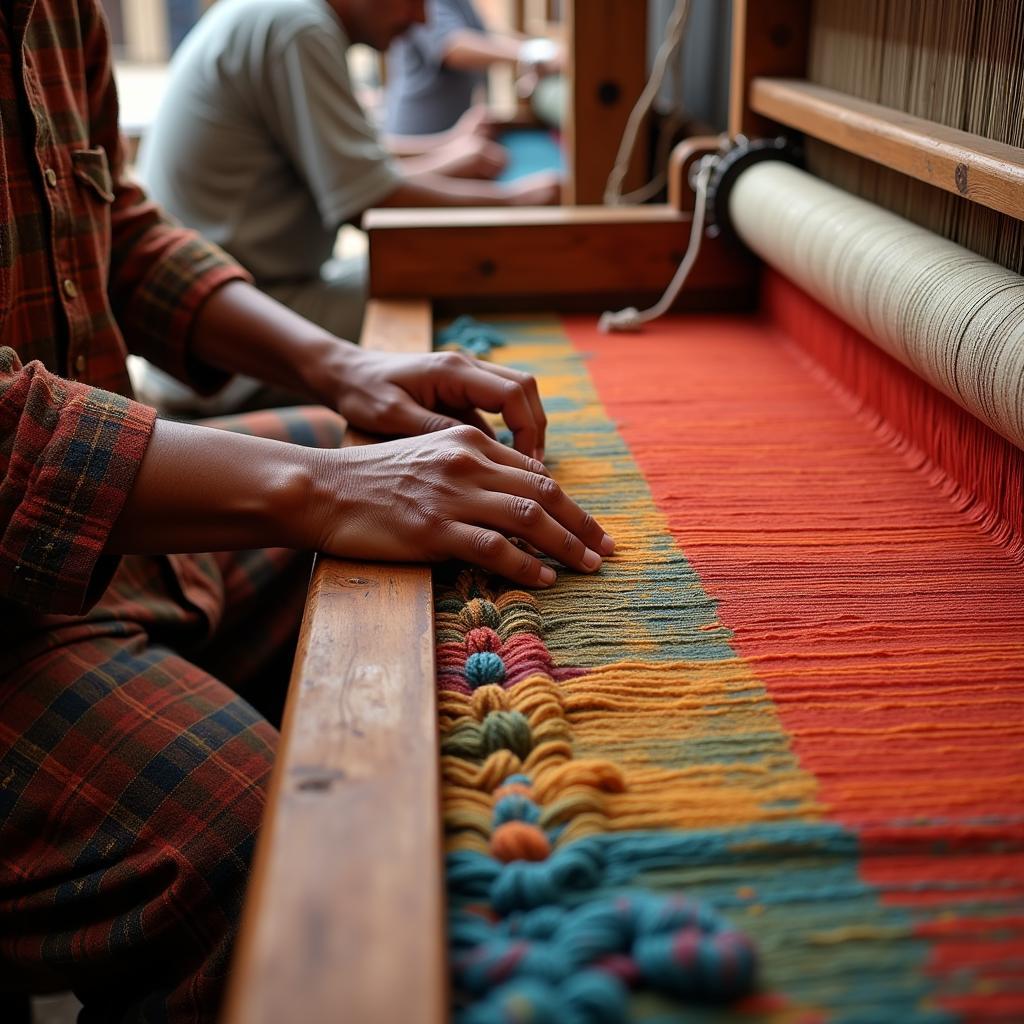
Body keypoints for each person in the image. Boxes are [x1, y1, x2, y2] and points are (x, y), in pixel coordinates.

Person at [0, 1, 612, 1019]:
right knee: (261, 846)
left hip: (115, 551)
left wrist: (347, 370)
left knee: (445, 481)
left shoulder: (60, 12)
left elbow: (120, 237)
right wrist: (319, 488)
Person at [135, 0, 560, 416]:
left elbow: (354, 158)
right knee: (456, 269)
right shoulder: (298, 26)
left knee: (441, 266)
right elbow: (372, 199)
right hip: (229, 332)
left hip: (249, 300)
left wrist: (443, 151)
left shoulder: (281, 14)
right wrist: (517, 201)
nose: (422, 17)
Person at [384, 0, 563, 137]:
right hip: (419, 132)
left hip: (447, 135)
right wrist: (532, 54)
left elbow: (487, 38)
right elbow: (451, 46)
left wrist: (545, 49)